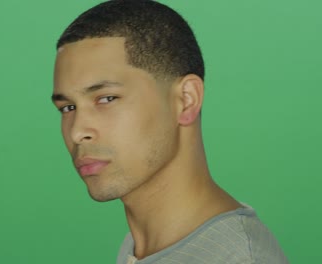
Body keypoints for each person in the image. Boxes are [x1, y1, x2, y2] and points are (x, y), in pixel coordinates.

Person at [51, 0, 288, 263]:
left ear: (185, 100)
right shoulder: (139, 246)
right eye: (68, 107)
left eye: (106, 99)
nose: (77, 132)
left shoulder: (236, 258)